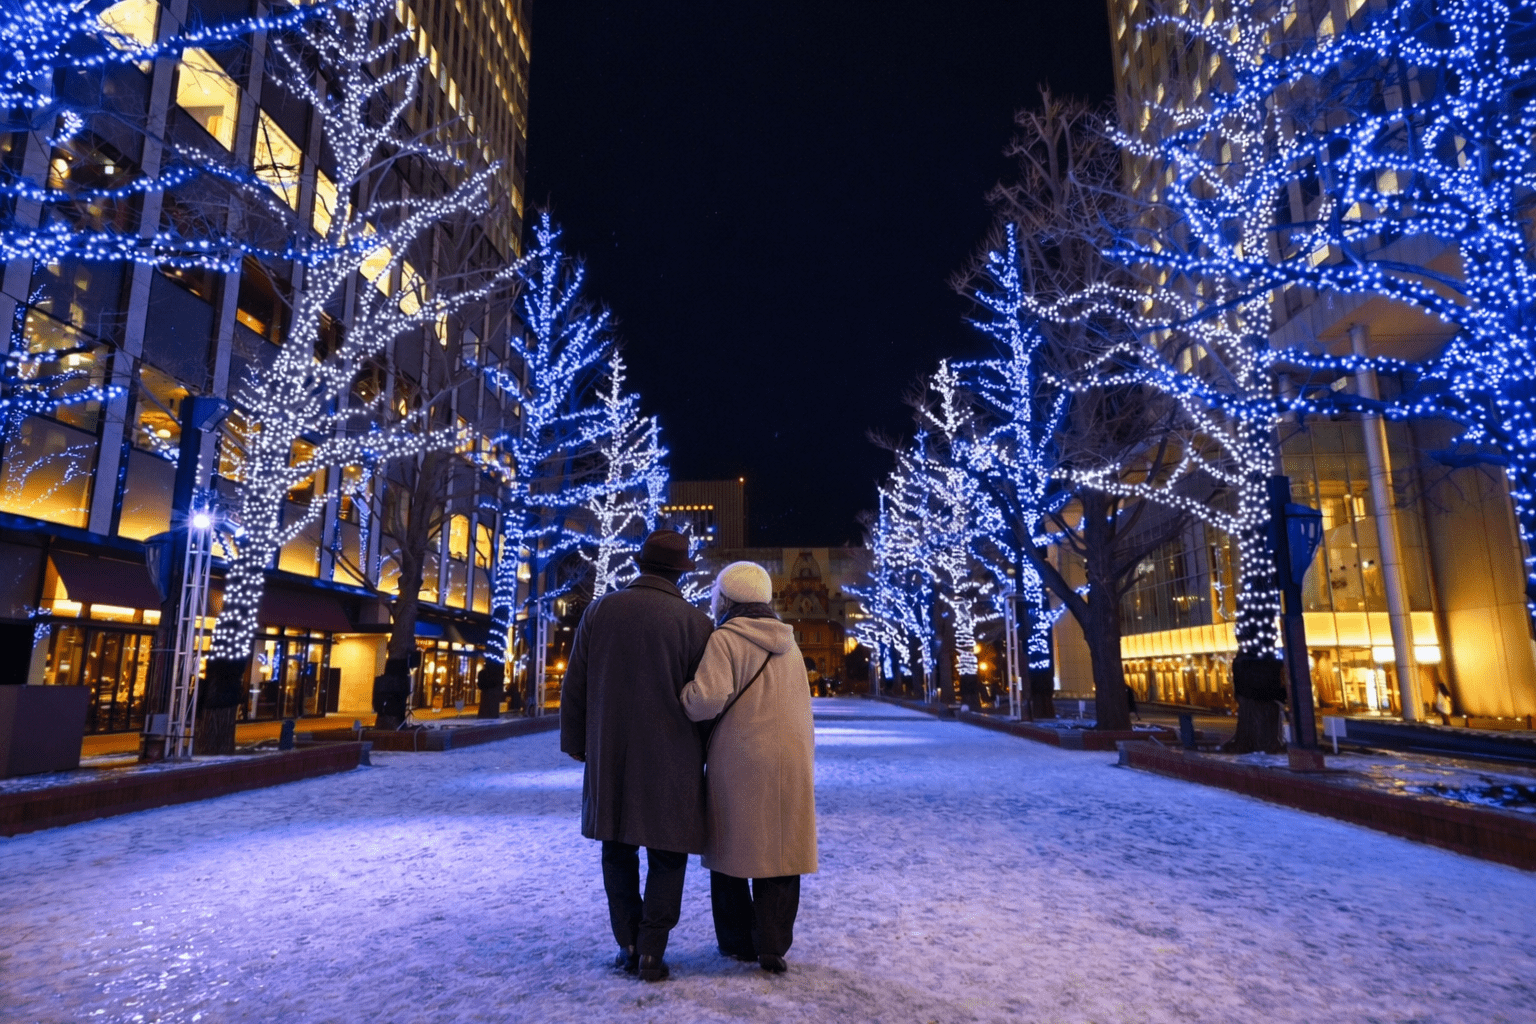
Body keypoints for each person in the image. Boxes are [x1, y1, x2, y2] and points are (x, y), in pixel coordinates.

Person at [560, 530, 713, 983]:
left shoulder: (600, 610)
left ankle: (626, 942)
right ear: (679, 573)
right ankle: (651, 950)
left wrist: (577, 742)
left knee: (617, 845)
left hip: (612, 751)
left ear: (641, 565)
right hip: (674, 755)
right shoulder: (695, 623)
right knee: (668, 854)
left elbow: (575, 684)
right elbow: (703, 700)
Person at [680, 561, 818, 974]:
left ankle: (738, 940)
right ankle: (773, 942)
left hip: (740, 758)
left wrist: (684, 692)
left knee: (732, 848)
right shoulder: (789, 643)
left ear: (726, 598)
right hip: (790, 757)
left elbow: (706, 700)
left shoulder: (725, 639)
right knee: (781, 849)